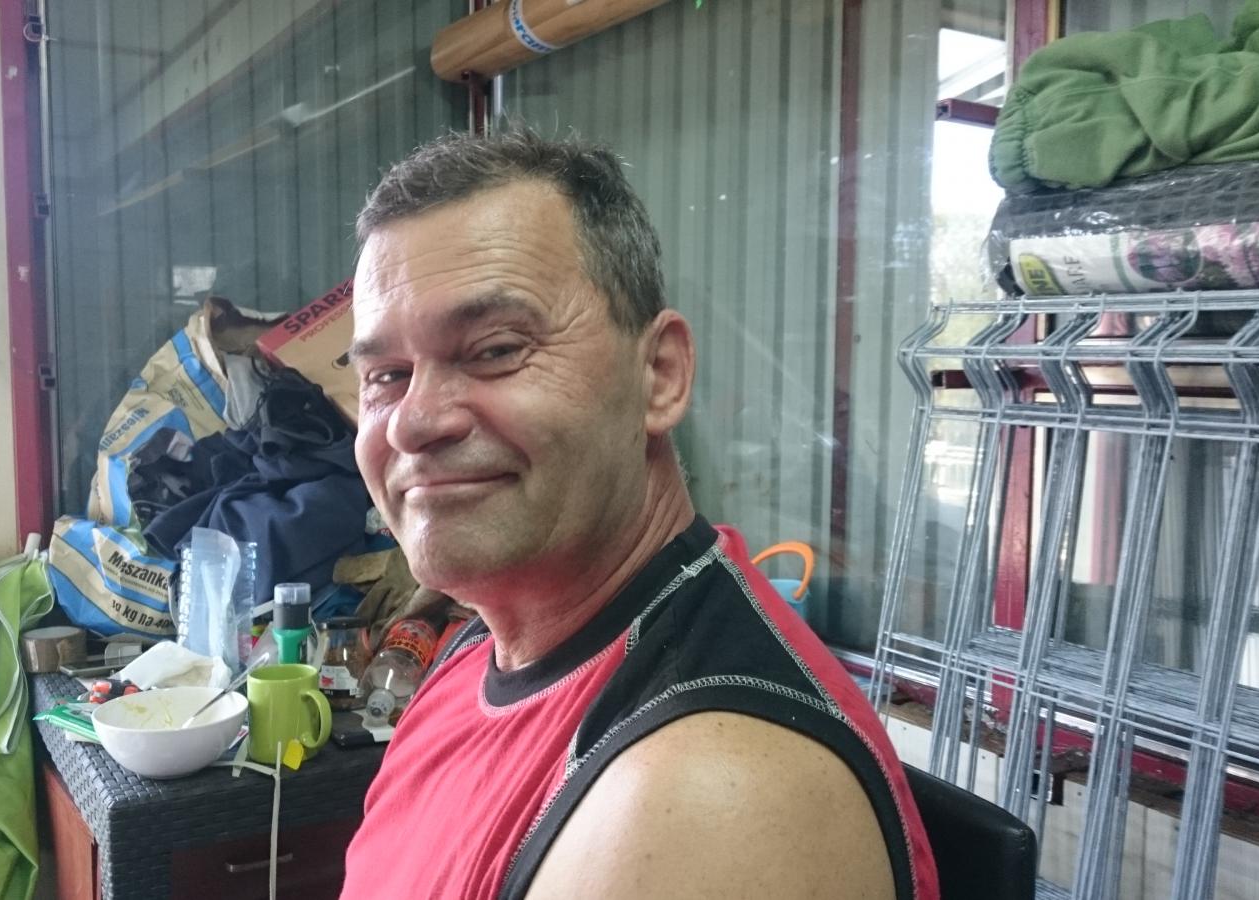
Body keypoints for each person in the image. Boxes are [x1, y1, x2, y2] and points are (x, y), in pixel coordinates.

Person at [340, 130, 938, 900]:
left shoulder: (711, 798)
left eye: (494, 350)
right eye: (386, 375)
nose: (414, 422)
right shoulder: (477, 650)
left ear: (659, 375)